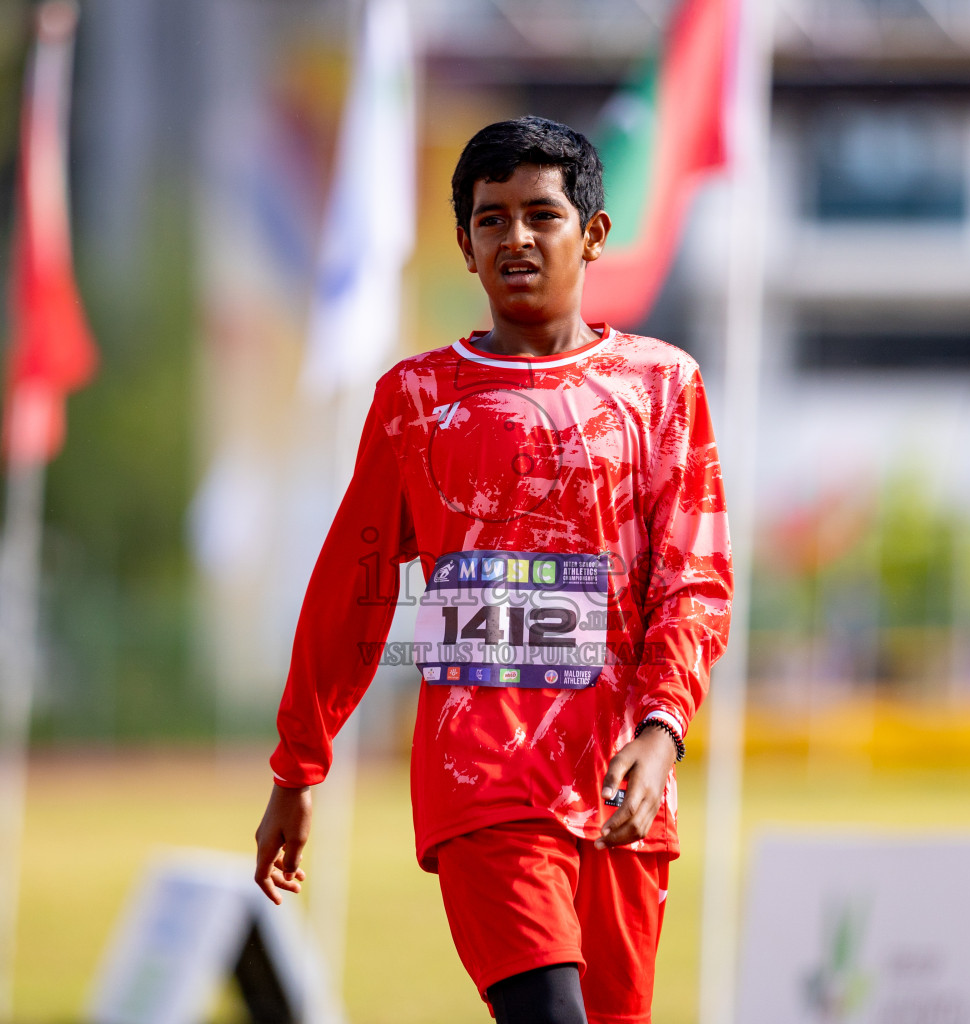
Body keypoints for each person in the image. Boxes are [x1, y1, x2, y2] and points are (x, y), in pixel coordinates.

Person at [255, 115, 732, 1024]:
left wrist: (662, 730)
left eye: (541, 215)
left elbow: (695, 579)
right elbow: (352, 589)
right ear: (466, 249)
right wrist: (297, 767)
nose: (515, 237)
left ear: (592, 234)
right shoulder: (417, 399)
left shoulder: (663, 388)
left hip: (621, 787)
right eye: (490, 219)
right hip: (480, 781)